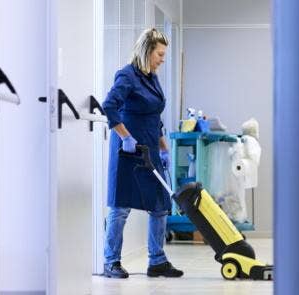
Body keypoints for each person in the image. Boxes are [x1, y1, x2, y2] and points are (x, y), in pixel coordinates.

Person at [101, 28, 183, 279]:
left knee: (160, 205)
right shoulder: (127, 75)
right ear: (147, 51)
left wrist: (163, 146)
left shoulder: (152, 77)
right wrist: (125, 137)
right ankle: (111, 261)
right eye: (160, 54)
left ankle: (157, 260)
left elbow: (154, 115)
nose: (162, 59)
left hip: (150, 149)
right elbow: (109, 106)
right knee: (121, 207)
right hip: (128, 150)